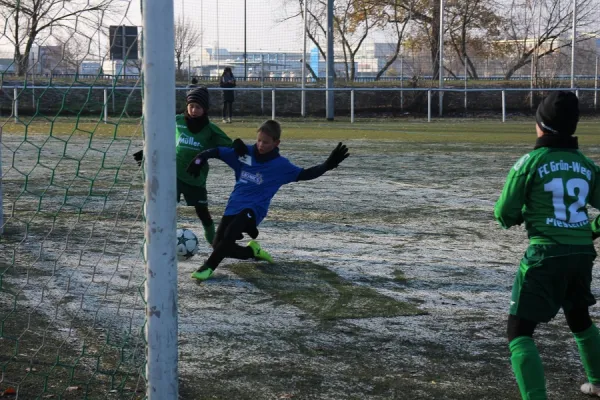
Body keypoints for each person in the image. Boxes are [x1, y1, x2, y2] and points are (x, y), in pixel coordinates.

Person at [495, 91, 600, 399]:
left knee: (519, 332)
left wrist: (521, 215)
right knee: (579, 318)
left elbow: (504, 213)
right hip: (581, 253)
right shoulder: (585, 163)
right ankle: (596, 381)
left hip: (544, 254)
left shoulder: (530, 162)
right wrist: (590, 230)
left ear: (540, 125)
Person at [185, 119, 349, 281]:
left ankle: (207, 267)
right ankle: (252, 252)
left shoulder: (281, 166)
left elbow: (305, 174)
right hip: (233, 207)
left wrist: (327, 165)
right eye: (259, 141)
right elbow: (216, 152)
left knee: (230, 235)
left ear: (276, 143)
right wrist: (199, 160)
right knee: (218, 245)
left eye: (266, 142)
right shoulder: (244, 154)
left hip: (254, 210)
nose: (261, 145)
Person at [133, 87, 233, 246]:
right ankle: (157, 242)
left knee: (203, 213)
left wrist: (237, 146)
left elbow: (228, 146)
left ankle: (215, 244)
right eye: (191, 106)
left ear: (205, 109)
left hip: (195, 178)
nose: (194, 110)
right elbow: (161, 136)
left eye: (198, 107)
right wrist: (147, 151)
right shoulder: (177, 121)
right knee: (166, 208)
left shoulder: (211, 129)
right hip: (173, 176)